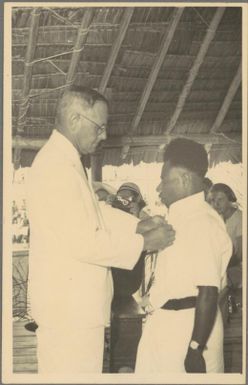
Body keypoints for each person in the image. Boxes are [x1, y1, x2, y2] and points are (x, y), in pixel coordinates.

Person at [26, 86, 175, 375]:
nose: (104, 135)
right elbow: (83, 241)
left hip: (74, 311)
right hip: (70, 314)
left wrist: (137, 224)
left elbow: (92, 214)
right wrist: (143, 242)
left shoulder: (66, 162)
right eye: (100, 127)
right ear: (74, 120)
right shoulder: (56, 167)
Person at [135, 138, 232, 373]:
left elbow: (208, 291)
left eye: (163, 179)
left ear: (184, 179)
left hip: (188, 332)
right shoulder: (183, 217)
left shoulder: (202, 221)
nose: (159, 188)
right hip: (168, 327)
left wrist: (196, 348)